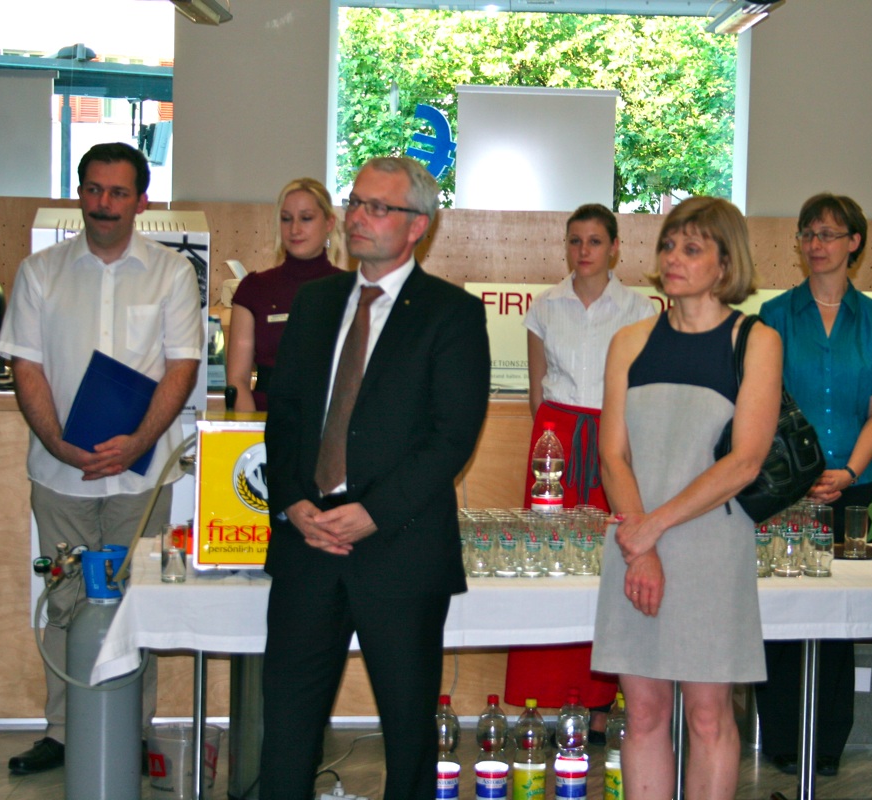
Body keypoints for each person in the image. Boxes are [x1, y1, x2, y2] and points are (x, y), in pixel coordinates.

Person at [259, 156, 491, 800]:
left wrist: (372, 513)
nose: (358, 217)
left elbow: (451, 438)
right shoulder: (315, 302)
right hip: (308, 545)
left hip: (400, 549)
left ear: (418, 226)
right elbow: (285, 416)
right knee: (287, 730)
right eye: (356, 202)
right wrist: (293, 502)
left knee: (409, 736)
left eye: (378, 207)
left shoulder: (451, 314)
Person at [0, 142, 203, 775]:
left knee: (137, 602)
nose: (103, 204)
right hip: (61, 472)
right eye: (93, 189)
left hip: (140, 475)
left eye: (118, 192)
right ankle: (63, 733)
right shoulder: (41, 272)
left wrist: (138, 441)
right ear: (79, 193)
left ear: (141, 202)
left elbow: (182, 367)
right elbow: (25, 365)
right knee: (65, 603)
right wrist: (57, 442)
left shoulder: (171, 273)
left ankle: (131, 732)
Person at [592, 196, 781, 800]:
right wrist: (641, 542)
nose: (673, 257)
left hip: (710, 547)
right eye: (669, 245)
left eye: (692, 248)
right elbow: (613, 457)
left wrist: (652, 529)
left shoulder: (755, 341)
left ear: (725, 264)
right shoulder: (629, 341)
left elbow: (745, 461)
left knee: (707, 716)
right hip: (633, 543)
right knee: (644, 713)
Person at [756, 193, 872, 777]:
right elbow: (761, 405)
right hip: (787, 491)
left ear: (854, 243)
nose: (816, 245)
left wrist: (848, 470)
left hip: (856, 491)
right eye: (808, 234)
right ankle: (784, 739)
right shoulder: (775, 315)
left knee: (841, 619)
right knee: (782, 615)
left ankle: (828, 743)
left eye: (829, 234)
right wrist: (807, 473)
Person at [505, 203, 655, 728]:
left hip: (615, 444)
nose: (583, 251)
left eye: (594, 241)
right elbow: (537, 391)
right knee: (549, 562)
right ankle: (545, 699)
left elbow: (643, 393)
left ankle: (599, 706)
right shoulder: (544, 307)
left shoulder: (640, 310)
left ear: (615, 248)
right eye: (575, 241)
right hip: (556, 444)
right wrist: (555, 444)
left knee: (608, 567)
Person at [227, 177, 342, 412]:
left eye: (306, 218)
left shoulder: (351, 289)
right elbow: (237, 380)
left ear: (329, 222)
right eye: (286, 219)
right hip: (266, 419)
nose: (294, 229)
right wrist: (253, 429)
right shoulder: (254, 288)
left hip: (330, 419)